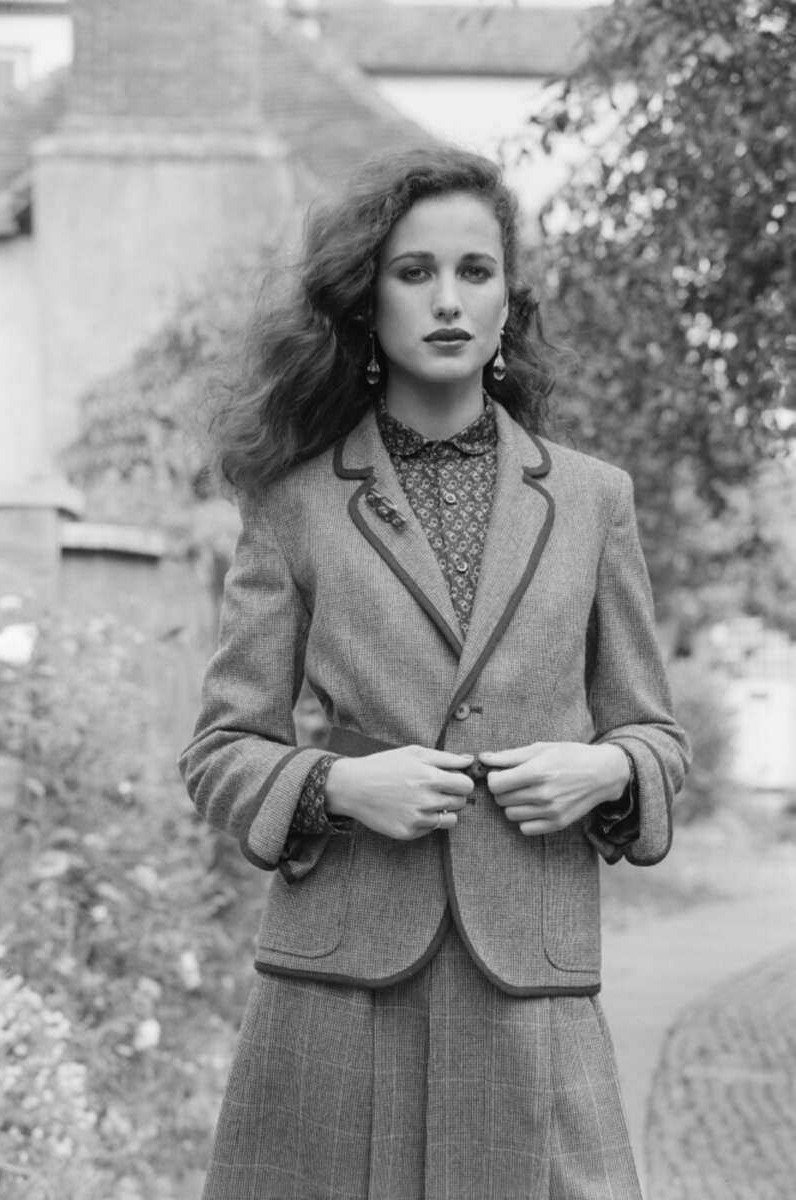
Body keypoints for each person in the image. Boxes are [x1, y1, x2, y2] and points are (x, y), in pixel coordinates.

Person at [178, 146, 690, 1200]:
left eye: (474, 270)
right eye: (414, 273)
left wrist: (608, 772)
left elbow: (655, 735)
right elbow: (221, 751)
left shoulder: (595, 500)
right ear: (368, 300)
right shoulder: (294, 504)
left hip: (530, 978)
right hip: (340, 978)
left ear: (510, 300)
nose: (447, 299)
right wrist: (333, 786)